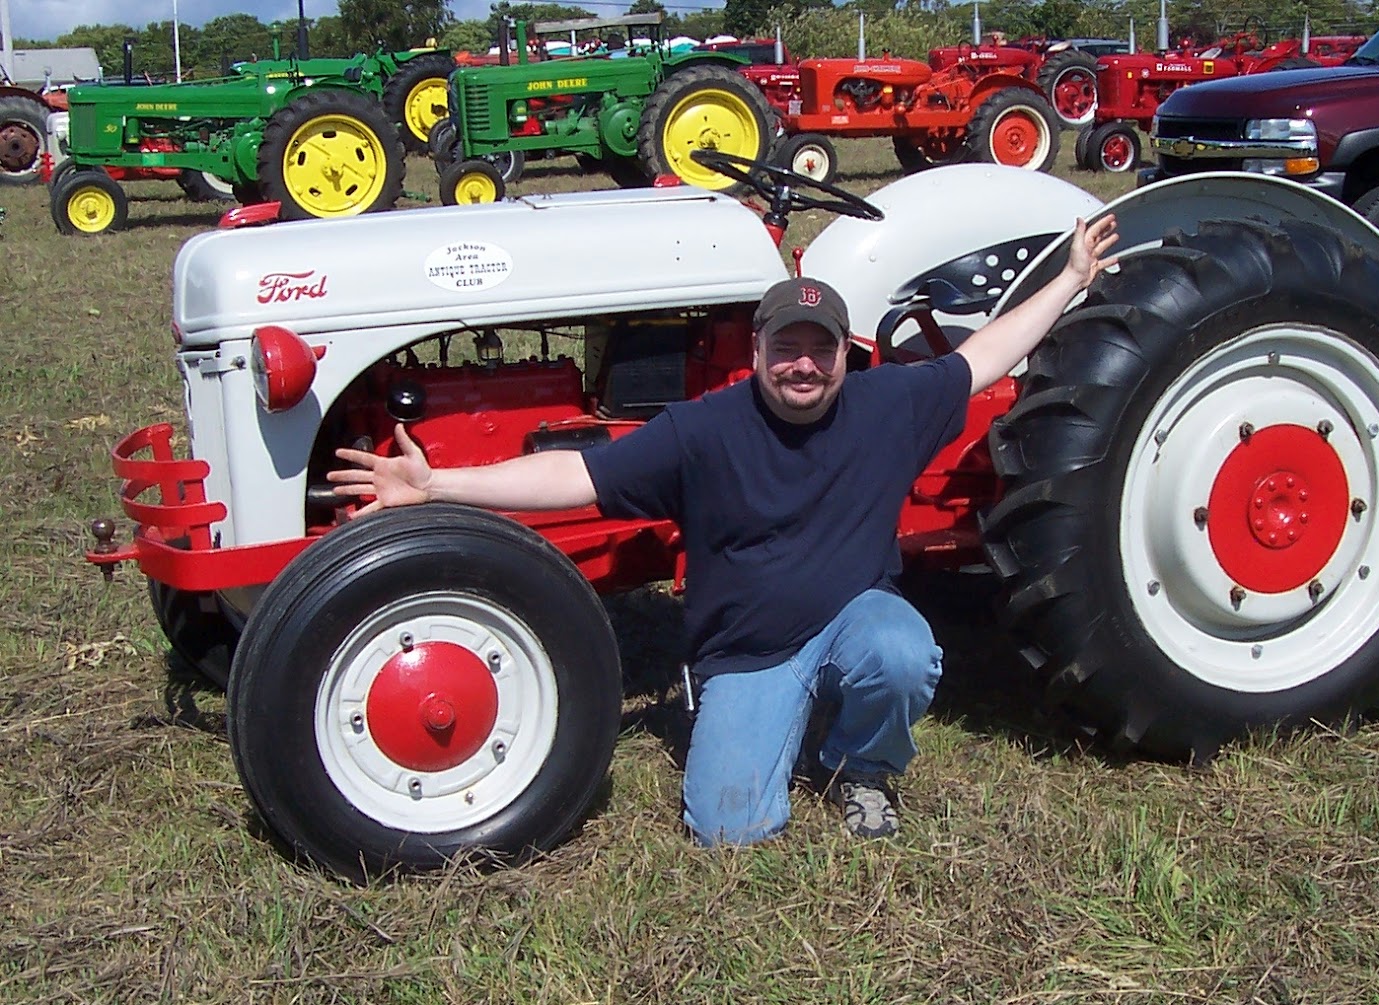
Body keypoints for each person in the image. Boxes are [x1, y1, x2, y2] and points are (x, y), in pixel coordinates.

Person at [329, 215, 1120, 846]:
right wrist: (437, 485)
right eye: (787, 349)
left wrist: (1071, 280)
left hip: (854, 621)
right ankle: (735, 706)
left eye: (821, 350)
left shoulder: (891, 403)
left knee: (901, 649)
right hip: (748, 650)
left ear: (847, 354)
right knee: (728, 829)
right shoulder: (702, 429)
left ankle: (861, 767)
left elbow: (985, 356)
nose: (803, 366)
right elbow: (577, 476)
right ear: (758, 350)